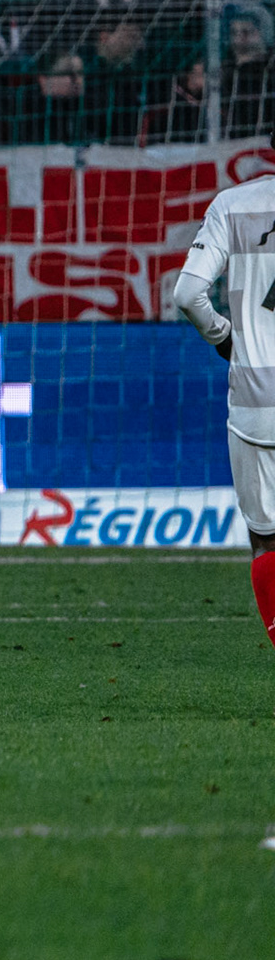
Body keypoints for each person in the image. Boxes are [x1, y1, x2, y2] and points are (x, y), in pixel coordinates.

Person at [173, 174, 275, 650]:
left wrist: (224, 338)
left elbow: (187, 293)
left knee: (268, 540)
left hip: (257, 397)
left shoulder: (233, 205)